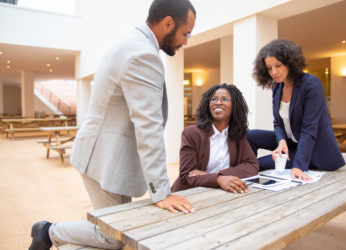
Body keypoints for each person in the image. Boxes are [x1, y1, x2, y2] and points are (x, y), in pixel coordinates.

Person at [29, 0, 196, 249]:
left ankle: (51, 235)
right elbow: (148, 127)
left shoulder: (131, 42)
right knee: (112, 235)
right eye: (185, 33)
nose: (185, 41)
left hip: (109, 158)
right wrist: (161, 192)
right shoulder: (142, 54)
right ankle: (47, 232)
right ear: (168, 23)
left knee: (115, 232)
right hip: (104, 159)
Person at [247, 39, 345, 181]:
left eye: (278, 65)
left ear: (289, 62)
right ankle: (244, 167)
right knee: (250, 135)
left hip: (313, 150)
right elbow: (278, 123)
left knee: (260, 164)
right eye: (269, 68)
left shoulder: (311, 84)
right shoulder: (277, 87)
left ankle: (245, 172)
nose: (273, 72)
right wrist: (281, 141)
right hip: (291, 143)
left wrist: (298, 166)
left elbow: (309, 129)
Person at [171, 83, 259, 193]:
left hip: (220, 195)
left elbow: (252, 166)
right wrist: (218, 179)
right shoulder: (191, 133)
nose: (218, 103)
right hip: (189, 195)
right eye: (214, 99)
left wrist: (214, 176)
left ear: (235, 105)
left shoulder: (237, 135)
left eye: (225, 99)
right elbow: (187, 176)